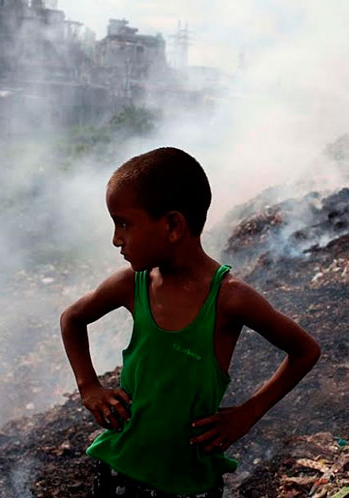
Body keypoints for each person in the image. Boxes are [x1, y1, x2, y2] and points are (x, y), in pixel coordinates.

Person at [60, 147, 321, 498]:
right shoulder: (131, 285)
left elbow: (305, 351)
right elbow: (72, 318)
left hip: (190, 482)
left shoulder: (230, 298)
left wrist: (248, 413)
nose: (116, 239)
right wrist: (88, 387)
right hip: (119, 469)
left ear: (172, 225)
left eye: (124, 223)